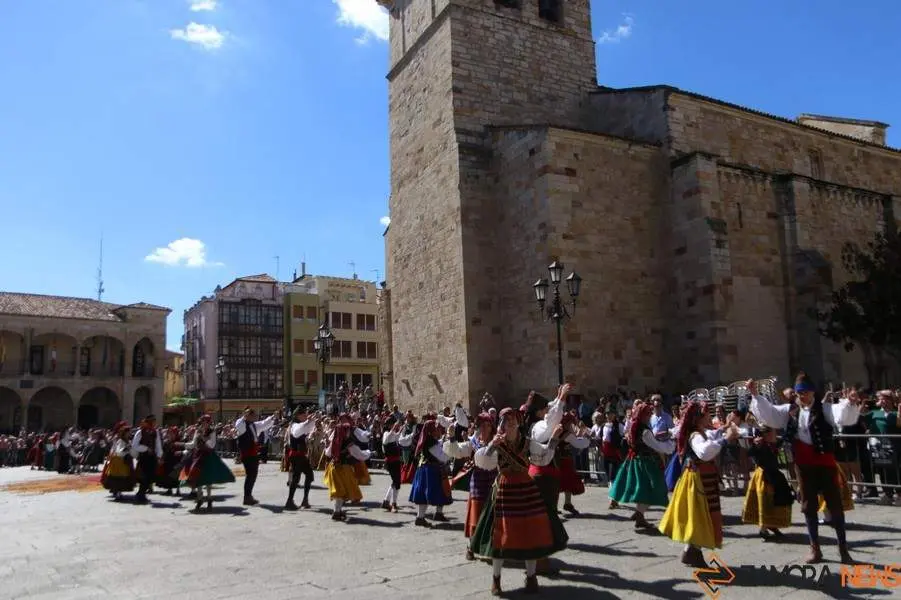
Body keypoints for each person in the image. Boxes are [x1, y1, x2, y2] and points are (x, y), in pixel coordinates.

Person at [748, 374, 860, 564]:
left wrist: (849, 403)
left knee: (834, 504)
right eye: (799, 393)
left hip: (825, 463)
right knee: (808, 506)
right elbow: (770, 414)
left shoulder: (824, 409)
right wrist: (756, 395)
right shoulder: (789, 411)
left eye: (806, 392)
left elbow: (841, 415)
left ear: (813, 392)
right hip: (803, 465)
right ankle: (815, 549)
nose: (802, 396)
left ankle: (843, 550)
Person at [470, 408, 568, 596]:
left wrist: (554, 437)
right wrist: (492, 445)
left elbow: (544, 457)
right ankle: (496, 580)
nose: (512, 422)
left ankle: (531, 577)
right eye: (507, 420)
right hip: (504, 489)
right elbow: (483, 461)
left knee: (530, 532)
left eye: (514, 419)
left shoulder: (527, 443)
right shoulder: (497, 443)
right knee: (500, 534)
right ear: (502, 424)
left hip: (526, 488)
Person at [659, 401, 738, 567]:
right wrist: (725, 439)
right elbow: (704, 452)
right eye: (707, 414)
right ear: (699, 418)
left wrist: (724, 430)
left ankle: (690, 552)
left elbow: (710, 436)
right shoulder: (695, 435)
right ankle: (693, 552)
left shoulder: (700, 432)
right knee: (701, 514)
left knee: (702, 513)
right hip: (698, 480)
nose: (710, 416)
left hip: (703, 478)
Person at [608, 401, 675, 530]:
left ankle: (640, 514)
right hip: (645, 463)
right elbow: (657, 445)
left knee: (642, 489)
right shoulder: (644, 431)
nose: (650, 416)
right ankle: (640, 515)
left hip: (636, 461)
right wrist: (671, 445)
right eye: (648, 413)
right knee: (651, 488)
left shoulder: (635, 426)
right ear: (643, 415)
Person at [444, 412, 497, 560]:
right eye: (482, 426)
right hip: (477, 484)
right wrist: (452, 437)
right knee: (476, 514)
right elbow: (457, 451)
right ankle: (471, 546)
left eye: (488, 425)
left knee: (492, 516)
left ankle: (491, 546)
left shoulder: (498, 442)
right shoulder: (473, 443)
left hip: (494, 483)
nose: (485, 428)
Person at [742, 425, 794, 541]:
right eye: (772, 432)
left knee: (778, 501)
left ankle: (773, 525)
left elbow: (786, 437)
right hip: (764, 476)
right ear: (766, 434)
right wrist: (755, 445)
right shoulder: (760, 444)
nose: (775, 434)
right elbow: (749, 453)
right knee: (765, 503)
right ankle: (763, 528)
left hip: (775, 475)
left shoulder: (773, 443)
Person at [181, 414, 236, 511]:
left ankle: (209, 499)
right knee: (196, 477)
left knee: (207, 478)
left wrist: (203, 437)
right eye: (202, 421)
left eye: (206, 422)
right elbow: (193, 444)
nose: (204, 423)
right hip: (197, 456)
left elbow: (212, 445)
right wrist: (182, 445)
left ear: (209, 422)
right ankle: (199, 499)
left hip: (208, 456)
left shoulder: (212, 432)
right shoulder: (197, 431)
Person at [323, 416, 371, 521]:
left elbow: (327, 452)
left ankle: (338, 511)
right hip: (344, 469)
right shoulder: (348, 443)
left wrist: (326, 446)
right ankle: (337, 512)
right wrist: (369, 452)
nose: (350, 431)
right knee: (341, 491)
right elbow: (360, 455)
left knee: (339, 491)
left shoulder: (334, 441)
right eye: (348, 430)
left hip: (333, 467)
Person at [409, 419, 453, 527]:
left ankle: (438, 513)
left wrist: (444, 441)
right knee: (425, 494)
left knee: (441, 491)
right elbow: (442, 457)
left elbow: (438, 446)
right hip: (430, 470)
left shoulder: (430, 440)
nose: (438, 430)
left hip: (429, 469)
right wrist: (452, 452)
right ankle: (420, 518)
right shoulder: (430, 442)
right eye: (436, 428)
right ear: (431, 430)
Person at [234, 407, 281, 506]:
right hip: (247, 453)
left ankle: (248, 496)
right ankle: (247, 497)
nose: (255, 417)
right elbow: (238, 425)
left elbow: (264, 424)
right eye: (253, 415)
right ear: (248, 416)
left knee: (253, 475)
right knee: (250, 475)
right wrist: (244, 416)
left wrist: (273, 417)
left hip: (253, 453)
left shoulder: (254, 425)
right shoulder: (242, 425)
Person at [380, 415, 415, 512]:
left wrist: (402, 428)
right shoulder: (386, 434)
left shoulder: (392, 434)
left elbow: (397, 436)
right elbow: (387, 440)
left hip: (395, 461)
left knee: (395, 482)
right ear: (389, 425)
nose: (394, 426)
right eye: (392, 424)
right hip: (391, 462)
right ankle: (393, 504)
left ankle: (386, 501)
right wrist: (395, 428)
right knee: (397, 482)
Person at [285, 406, 317, 510]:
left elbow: (308, 428)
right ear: (298, 415)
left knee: (309, 475)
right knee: (296, 478)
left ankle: (304, 500)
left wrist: (311, 421)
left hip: (300, 455)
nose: (306, 416)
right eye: (304, 415)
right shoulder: (295, 425)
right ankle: (290, 501)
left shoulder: (298, 424)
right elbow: (297, 431)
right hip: (296, 455)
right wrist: (308, 421)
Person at [132, 415, 163, 503]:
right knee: (143, 477)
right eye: (153, 421)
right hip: (143, 457)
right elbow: (135, 445)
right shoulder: (140, 432)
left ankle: (141, 494)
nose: (155, 423)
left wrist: (159, 455)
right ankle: (140, 495)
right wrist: (145, 448)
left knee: (150, 477)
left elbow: (157, 444)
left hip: (152, 457)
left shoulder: (155, 431)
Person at [101, 421, 136, 500]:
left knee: (122, 477)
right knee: (117, 477)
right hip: (118, 461)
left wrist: (130, 449)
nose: (129, 434)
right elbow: (118, 451)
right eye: (128, 433)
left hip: (123, 461)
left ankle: (118, 492)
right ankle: (117, 492)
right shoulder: (120, 440)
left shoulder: (127, 441)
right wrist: (126, 449)